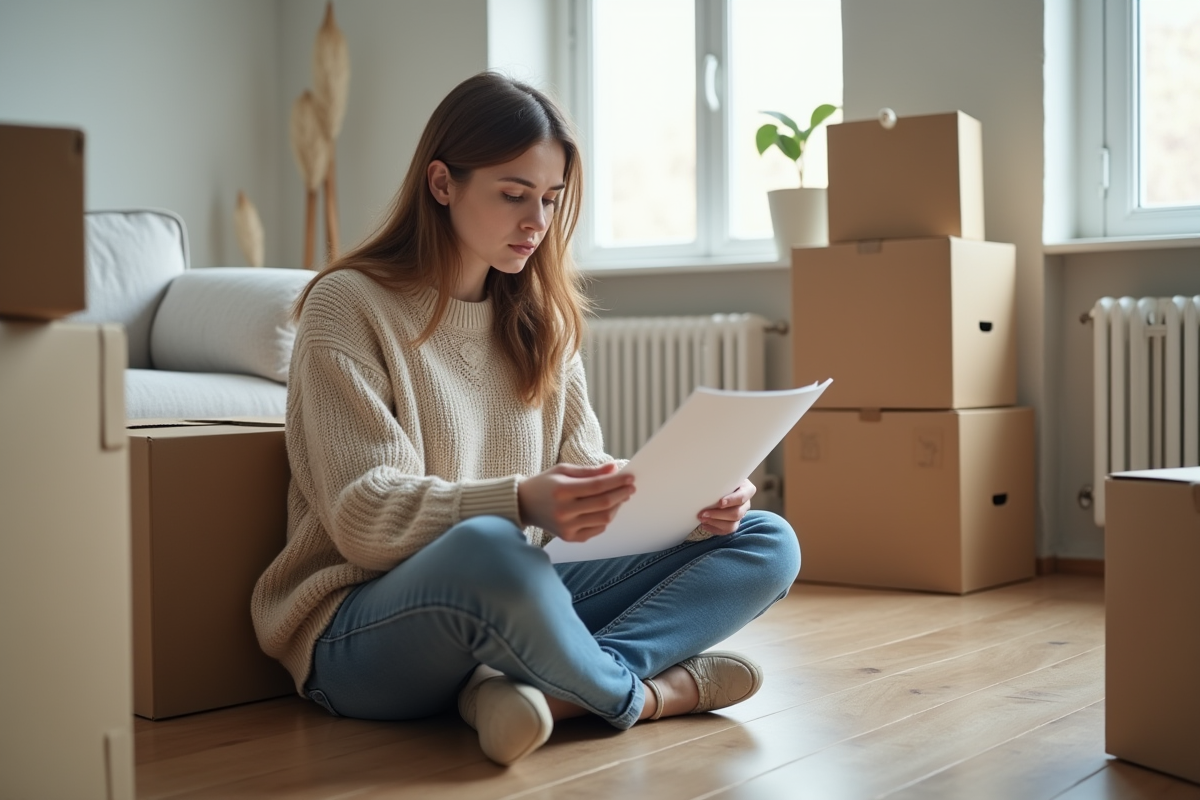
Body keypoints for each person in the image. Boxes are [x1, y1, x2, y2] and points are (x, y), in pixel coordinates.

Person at [251, 71, 801, 766]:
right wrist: (519, 501)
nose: (536, 222)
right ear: (443, 183)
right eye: (513, 195)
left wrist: (697, 506)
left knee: (766, 540)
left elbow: (589, 493)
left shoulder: (543, 323)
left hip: (521, 592)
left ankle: (536, 691)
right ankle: (653, 694)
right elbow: (363, 517)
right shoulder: (347, 306)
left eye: (550, 199)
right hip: (359, 629)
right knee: (492, 547)